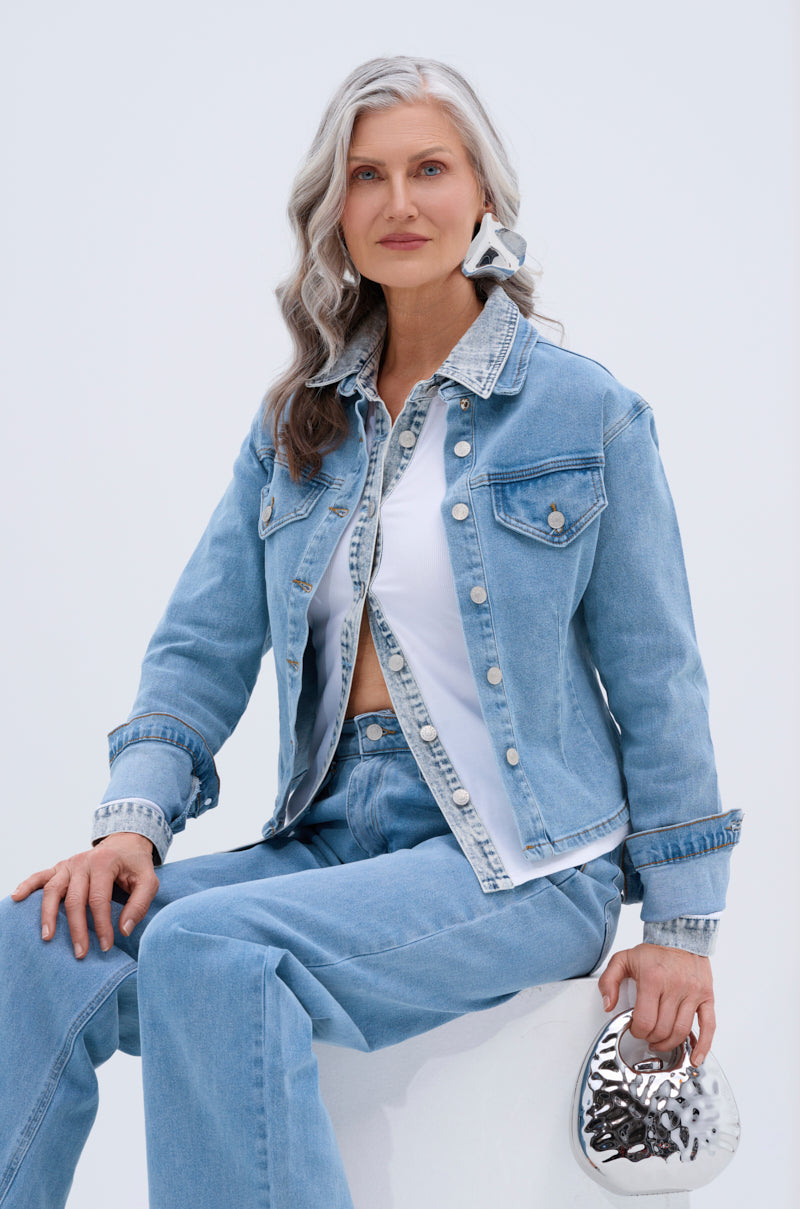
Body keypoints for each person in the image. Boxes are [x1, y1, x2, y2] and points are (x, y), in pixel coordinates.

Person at [0, 55, 742, 1209]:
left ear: (482, 194)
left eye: (428, 169)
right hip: (332, 837)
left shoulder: (582, 412)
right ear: (334, 211)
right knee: (40, 944)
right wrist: (132, 827)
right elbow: (197, 651)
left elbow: (658, 679)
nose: (399, 201)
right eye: (365, 176)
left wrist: (682, 924)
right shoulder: (295, 424)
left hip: (519, 862)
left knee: (212, 948)